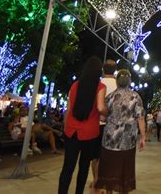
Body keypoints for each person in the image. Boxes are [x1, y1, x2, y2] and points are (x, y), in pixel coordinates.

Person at [58, 56, 107, 194]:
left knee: (67, 167)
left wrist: (65, 127)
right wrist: (108, 113)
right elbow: (101, 107)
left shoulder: (75, 85)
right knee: (83, 167)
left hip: (71, 131)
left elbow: (68, 109)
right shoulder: (100, 87)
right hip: (89, 133)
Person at [95, 69, 146, 193]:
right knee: (125, 168)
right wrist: (143, 137)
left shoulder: (110, 97)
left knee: (109, 168)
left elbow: (102, 117)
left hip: (109, 140)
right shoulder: (135, 97)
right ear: (129, 82)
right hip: (128, 141)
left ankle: (109, 191)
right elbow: (140, 118)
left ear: (117, 82)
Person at [91, 59, 118, 189]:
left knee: (95, 156)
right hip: (113, 126)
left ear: (103, 69)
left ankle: (96, 180)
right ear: (115, 70)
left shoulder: (97, 83)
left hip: (97, 123)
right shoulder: (119, 85)